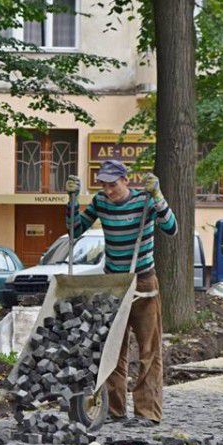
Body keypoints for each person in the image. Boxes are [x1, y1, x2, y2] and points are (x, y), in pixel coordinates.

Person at [65, 160, 177, 427]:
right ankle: (116, 410)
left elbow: (171, 228)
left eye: (112, 184)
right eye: (103, 184)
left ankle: (147, 413)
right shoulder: (100, 202)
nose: (108, 190)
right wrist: (71, 200)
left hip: (143, 282)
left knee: (148, 348)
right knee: (112, 348)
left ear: (126, 180)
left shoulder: (144, 201)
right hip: (114, 282)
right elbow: (74, 231)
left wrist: (158, 196)